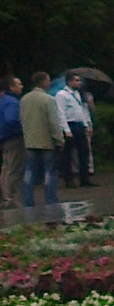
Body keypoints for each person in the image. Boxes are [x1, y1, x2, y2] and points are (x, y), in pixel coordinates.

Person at [19, 73, 62, 207]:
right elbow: (53, 123)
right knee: (49, 172)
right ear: (43, 82)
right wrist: (59, 139)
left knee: (29, 172)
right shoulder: (48, 99)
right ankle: (51, 200)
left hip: (30, 140)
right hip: (46, 141)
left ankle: (27, 201)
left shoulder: (24, 99)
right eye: (48, 80)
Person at [53, 74, 94, 188]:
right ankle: (68, 179)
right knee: (68, 154)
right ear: (69, 82)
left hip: (79, 125)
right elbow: (60, 113)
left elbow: (81, 110)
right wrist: (66, 130)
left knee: (84, 152)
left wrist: (86, 125)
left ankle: (84, 179)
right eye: (76, 80)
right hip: (70, 125)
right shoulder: (61, 95)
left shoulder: (77, 94)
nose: (79, 83)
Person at [0, 76, 25, 208]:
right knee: (14, 169)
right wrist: (23, 127)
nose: (21, 87)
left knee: (6, 168)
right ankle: (11, 199)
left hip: (4, 138)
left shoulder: (3, 100)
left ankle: (5, 197)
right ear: (11, 87)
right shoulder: (12, 102)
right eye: (18, 84)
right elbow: (11, 120)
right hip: (14, 138)